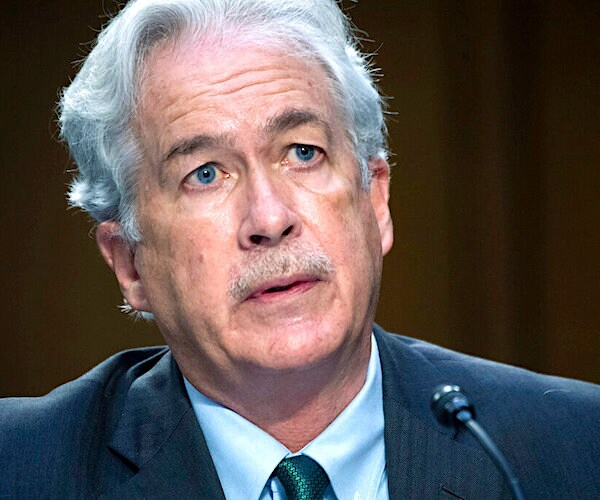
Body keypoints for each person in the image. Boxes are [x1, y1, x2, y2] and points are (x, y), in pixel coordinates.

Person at [1, 0, 598, 498]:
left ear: (375, 201)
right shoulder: (22, 469)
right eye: (205, 174)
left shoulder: (576, 449)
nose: (269, 219)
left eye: (303, 152)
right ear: (130, 262)